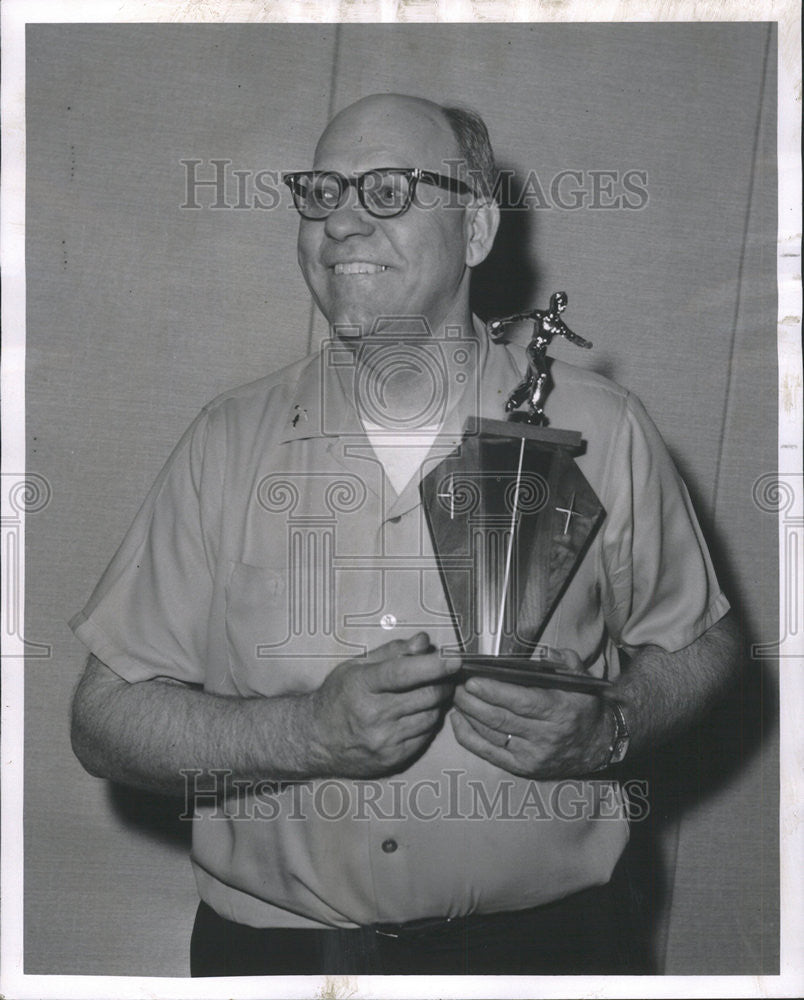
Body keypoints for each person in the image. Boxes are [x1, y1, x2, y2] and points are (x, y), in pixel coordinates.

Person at [70, 94, 739, 976]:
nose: (339, 222)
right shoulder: (225, 440)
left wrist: (608, 730)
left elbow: (703, 647)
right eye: (320, 192)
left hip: (551, 956)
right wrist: (302, 734)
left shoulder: (602, 431)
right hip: (277, 962)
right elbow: (103, 720)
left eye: (386, 191)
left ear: (475, 229)